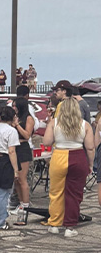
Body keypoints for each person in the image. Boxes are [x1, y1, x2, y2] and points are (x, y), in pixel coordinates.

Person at [42, 98, 94, 237]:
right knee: (74, 193)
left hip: (59, 155)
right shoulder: (85, 124)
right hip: (78, 156)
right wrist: (90, 164)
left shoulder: (54, 122)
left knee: (56, 191)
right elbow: (90, 147)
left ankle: (54, 223)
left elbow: (46, 141)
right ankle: (70, 226)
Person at [8, 90, 35, 224]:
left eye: (15, 106)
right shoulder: (13, 118)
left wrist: (17, 125)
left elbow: (27, 135)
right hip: (14, 148)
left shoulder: (28, 118)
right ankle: (20, 201)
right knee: (16, 178)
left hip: (23, 148)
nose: (13, 108)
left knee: (22, 178)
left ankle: (26, 204)